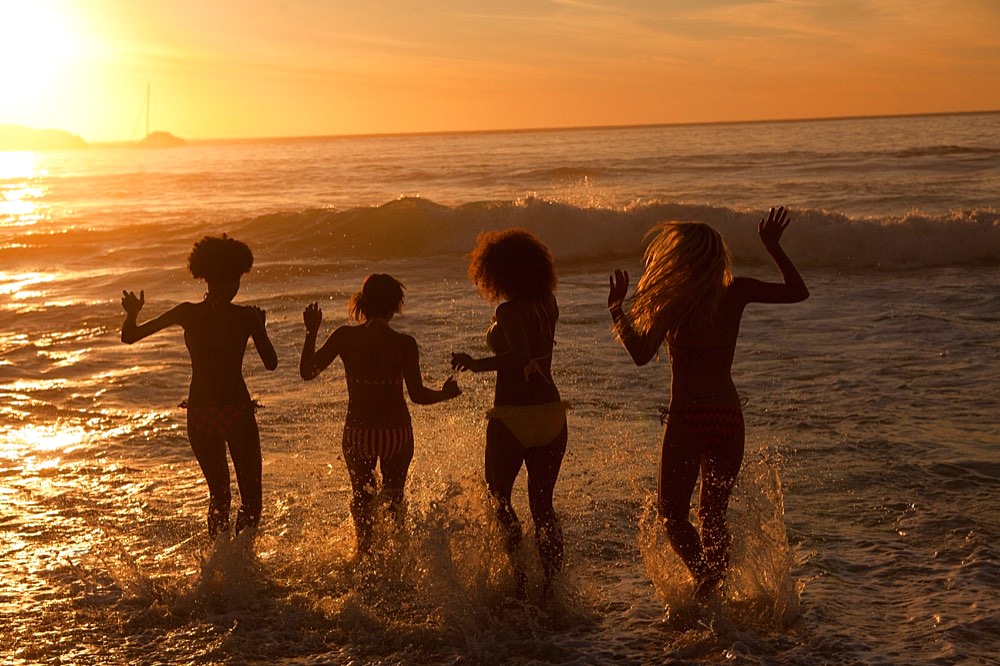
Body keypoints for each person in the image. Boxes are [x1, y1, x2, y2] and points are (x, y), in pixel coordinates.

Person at [608, 207, 808, 598]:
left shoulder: (674, 303)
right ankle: (714, 589)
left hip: (688, 417)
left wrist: (617, 309)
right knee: (714, 519)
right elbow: (798, 292)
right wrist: (773, 247)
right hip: (728, 417)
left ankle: (705, 579)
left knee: (673, 516)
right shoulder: (736, 293)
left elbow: (640, 354)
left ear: (680, 259)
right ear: (716, 257)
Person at [120, 234, 278, 539]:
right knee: (251, 501)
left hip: (201, 413)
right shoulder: (246, 316)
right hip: (236, 410)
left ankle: (218, 567)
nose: (236, 286)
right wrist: (261, 327)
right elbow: (271, 363)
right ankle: (240, 565)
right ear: (231, 279)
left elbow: (130, 337)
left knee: (219, 498)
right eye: (236, 279)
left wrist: (132, 313)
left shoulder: (187, 313)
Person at [299, 274, 460, 556]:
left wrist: (311, 331)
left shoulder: (345, 337)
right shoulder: (404, 344)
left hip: (358, 433)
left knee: (362, 501)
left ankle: (366, 557)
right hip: (396, 432)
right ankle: (397, 562)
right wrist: (445, 394)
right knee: (395, 502)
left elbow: (307, 372)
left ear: (362, 302)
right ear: (394, 306)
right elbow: (418, 395)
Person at [451, 228, 569, 596]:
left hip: (514, 416)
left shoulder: (508, 310)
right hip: (552, 413)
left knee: (499, 498)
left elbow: (518, 355)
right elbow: (534, 351)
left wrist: (474, 363)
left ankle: (519, 576)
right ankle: (551, 586)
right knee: (543, 508)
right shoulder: (549, 302)